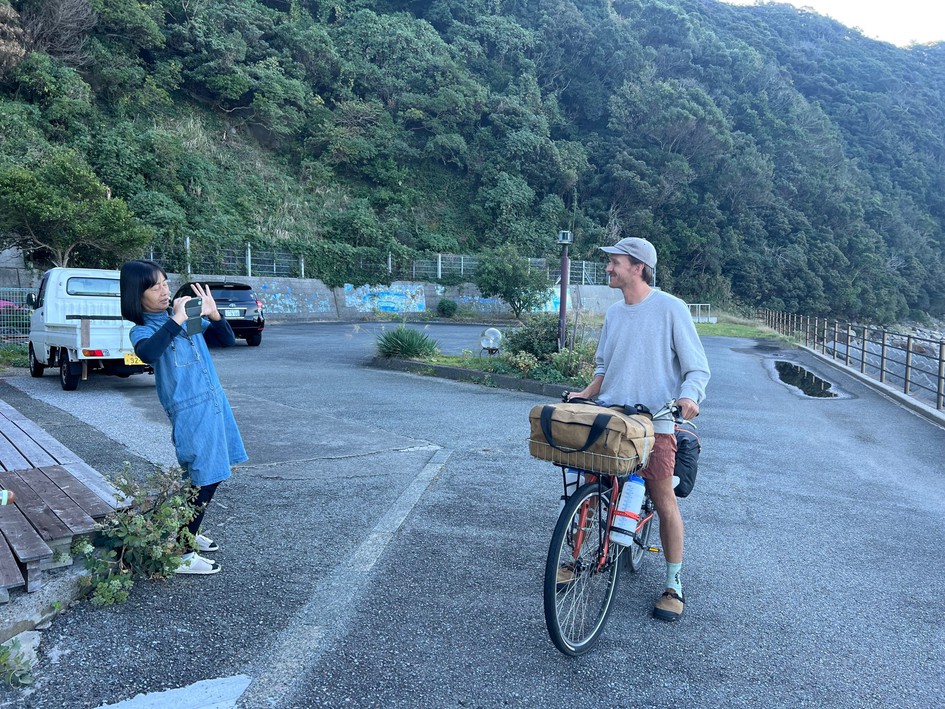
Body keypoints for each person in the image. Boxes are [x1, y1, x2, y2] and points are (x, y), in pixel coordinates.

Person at [566, 237, 709, 622]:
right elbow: (602, 366)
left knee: (664, 500)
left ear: (638, 267)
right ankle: (578, 559)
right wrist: (585, 393)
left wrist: (690, 397)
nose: (608, 267)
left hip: (656, 421)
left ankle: (674, 584)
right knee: (588, 488)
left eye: (615, 261)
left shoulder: (670, 308)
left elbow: (697, 368)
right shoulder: (614, 314)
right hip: (612, 418)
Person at [120, 260, 247, 575]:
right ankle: (181, 551)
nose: (164, 290)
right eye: (155, 286)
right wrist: (177, 317)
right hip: (190, 410)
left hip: (214, 402)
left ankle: (188, 531)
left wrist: (213, 314)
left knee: (204, 475)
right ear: (137, 295)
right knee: (206, 475)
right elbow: (149, 353)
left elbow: (225, 340)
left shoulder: (181, 320)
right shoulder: (145, 330)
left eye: (165, 283)